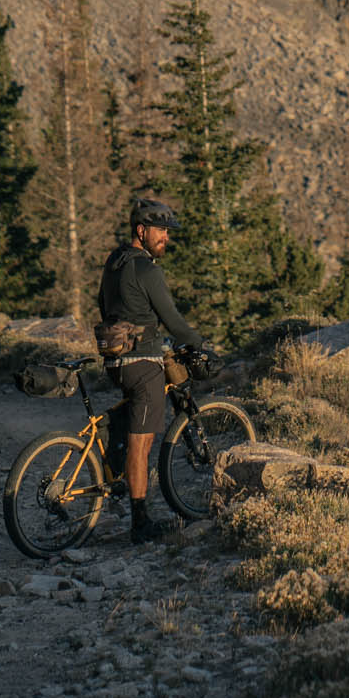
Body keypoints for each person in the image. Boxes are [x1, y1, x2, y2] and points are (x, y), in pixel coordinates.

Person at [96, 195, 209, 544]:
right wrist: (200, 344)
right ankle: (140, 522)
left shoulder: (114, 261)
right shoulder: (147, 269)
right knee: (141, 444)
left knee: (130, 425)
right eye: (160, 231)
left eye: (167, 232)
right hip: (142, 363)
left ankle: (114, 475)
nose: (166, 238)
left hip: (115, 359)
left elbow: (103, 304)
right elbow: (172, 320)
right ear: (141, 231)